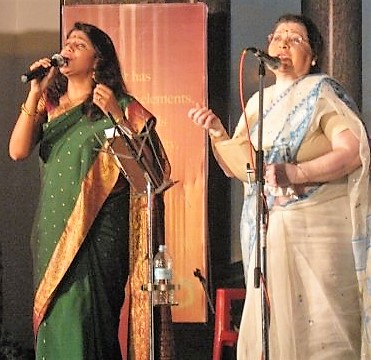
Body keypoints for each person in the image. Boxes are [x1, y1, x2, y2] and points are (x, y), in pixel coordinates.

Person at [188, 13, 371, 360]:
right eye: (278, 36)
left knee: (321, 334)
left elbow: (353, 152)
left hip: (317, 238)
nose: (284, 43)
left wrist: (296, 173)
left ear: (314, 56)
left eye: (296, 38)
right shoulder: (259, 103)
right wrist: (216, 132)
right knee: (271, 334)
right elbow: (242, 170)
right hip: (268, 238)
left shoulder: (323, 92)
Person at [9, 22, 171, 359]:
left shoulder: (122, 105)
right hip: (53, 234)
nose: (67, 49)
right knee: (56, 321)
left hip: (98, 237)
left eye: (78, 45)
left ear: (98, 61)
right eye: (66, 43)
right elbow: (17, 151)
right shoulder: (51, 106)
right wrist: (35, 92)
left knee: (86, 319)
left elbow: (154, 173)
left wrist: (116, 116)